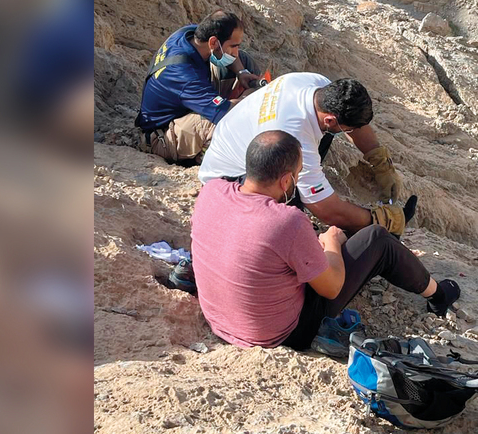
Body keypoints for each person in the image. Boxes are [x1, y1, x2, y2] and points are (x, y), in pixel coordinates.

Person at [190, 130, 460, 350]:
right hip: (279, 334)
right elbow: (331, 289)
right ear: (286, 181)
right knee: (377, 238)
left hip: (220, 321)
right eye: (297, 174)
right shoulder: (287, 221)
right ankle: (438, 294)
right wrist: (332, 242)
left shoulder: (212, 191)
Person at [197, 72, 405, 236]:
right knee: (291, 213)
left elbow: (354, 123)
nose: (350, 132)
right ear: (330, 120)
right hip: (228, 182)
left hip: (243, 142)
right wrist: (379, 219)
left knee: (326, 136)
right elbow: (327, 210)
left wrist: (381, 162)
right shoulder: (293, 135)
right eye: (347, 129)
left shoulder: (317, 85)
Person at [135, 10, 263, 165]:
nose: (235, 52)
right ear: (213, 42)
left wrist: (242, 72)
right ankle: (204, 160)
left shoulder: (189, 34)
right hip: (162, 135)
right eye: (233, 46)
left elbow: (232, 57)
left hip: (183, 108)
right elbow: (227, 113)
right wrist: (250, 96)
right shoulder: (185, 75)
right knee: (223, 122)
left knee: (243, 60)